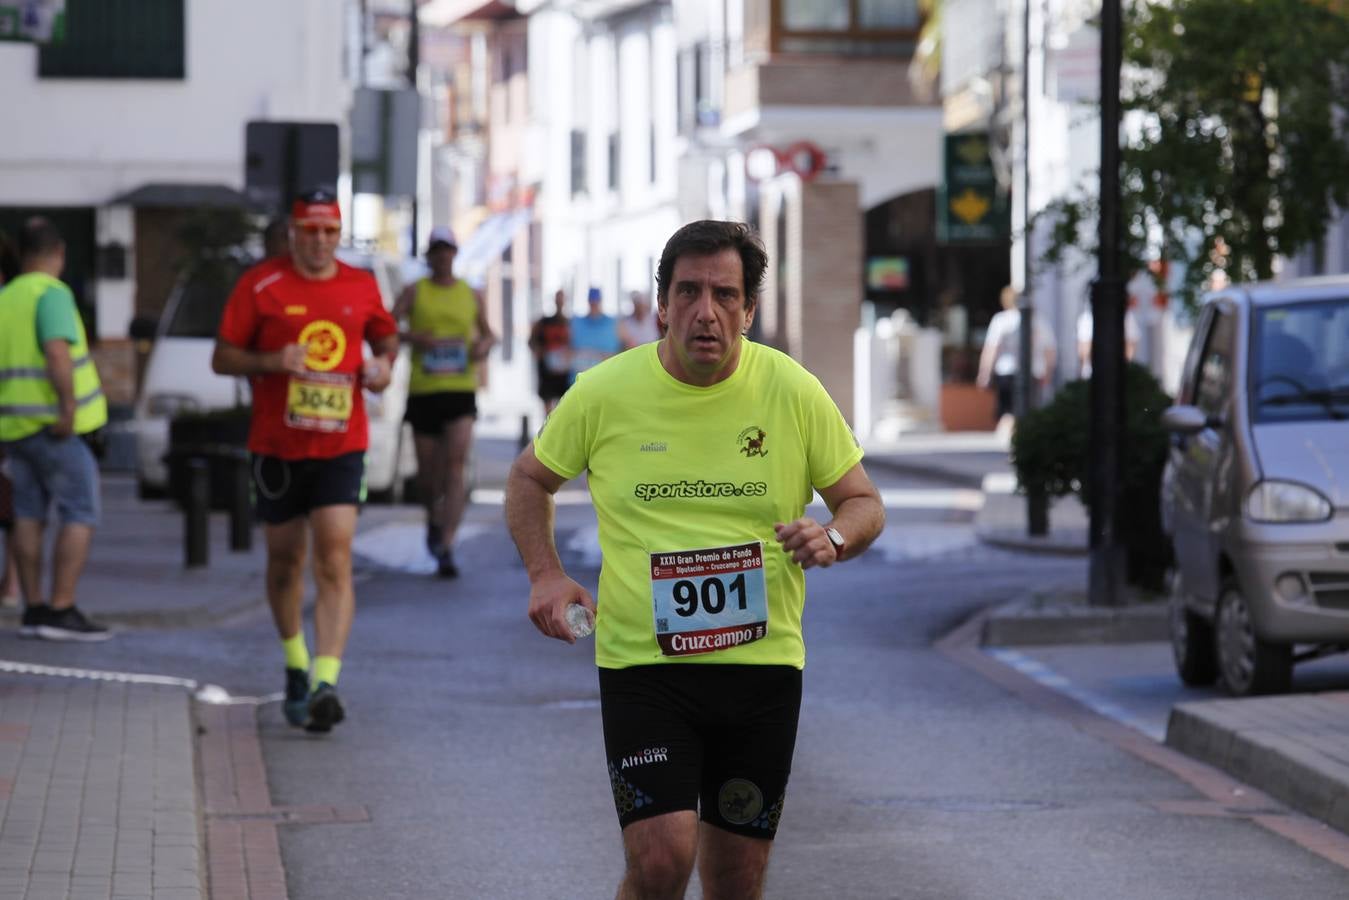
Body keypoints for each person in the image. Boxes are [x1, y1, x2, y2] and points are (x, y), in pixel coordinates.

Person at [504, 220, 885, 899]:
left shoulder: (792, 391)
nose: (704, 312)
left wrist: (831, 538)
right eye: (687, 292)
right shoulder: (604, 391)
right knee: (659, 860)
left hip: (761, 668)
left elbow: (861, 501)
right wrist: (544, 572)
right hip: (643, 667)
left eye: (723, 295)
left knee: (737, 878)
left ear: (749, 309)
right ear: (661, 303)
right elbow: (529, 478)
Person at [211, 189, 399, 734]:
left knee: (334, 558)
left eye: (329, 232)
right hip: (277, 447)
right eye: (309, 231)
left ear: (339, 235)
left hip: (342, 445)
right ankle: (295, 661)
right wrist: (272, 360)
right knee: (285, 562)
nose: (319, 241)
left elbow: (385, 339)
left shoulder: (360, 284)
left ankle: (326, 680)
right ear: (293, 234)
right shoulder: (261, 285)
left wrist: (382, 367)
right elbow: (222, 356)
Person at [0, 217, 111, 640]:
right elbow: (57, 353)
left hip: (14, 428)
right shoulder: (52, 295)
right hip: (55, 428)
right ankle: (62, 608)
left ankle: (34, 607)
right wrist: (67, 409)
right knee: (80, 510)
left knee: (28, 514)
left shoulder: (6, 297)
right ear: (59, 253)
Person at [393, 225, 497, 578]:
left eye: (447, 250)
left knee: (455, 466)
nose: (442, 256)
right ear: (429, 255)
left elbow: (489, 334)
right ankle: (433, 520)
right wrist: (411, 336)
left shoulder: (470, 294)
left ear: (454, 254)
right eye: (436, 250)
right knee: (427, 476)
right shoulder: (413, 291)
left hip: (459, 387)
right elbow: (386, 327)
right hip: (423, 390)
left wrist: (482, 348)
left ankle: (448, 543)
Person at [976, 285, 1057, 430]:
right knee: (1029, 412)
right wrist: (1048, 372)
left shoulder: (1001, 320)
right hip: (1033, 372)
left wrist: (985, 372)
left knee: (1008, 413)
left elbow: (991, 349)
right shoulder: (1038, 320)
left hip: (1007, 371)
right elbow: (1049, 350)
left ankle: (1010, 442)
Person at [528, 289, 571, 416]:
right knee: (548, 406)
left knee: (563, 405)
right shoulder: (543, 322)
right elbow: (532, 341)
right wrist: (538, 351)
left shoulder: (569, 322)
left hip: (563, 373)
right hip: (547, 371)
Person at [568, 286, 621, 382]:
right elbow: (565, 351)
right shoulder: (576, 322)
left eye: (596, 302)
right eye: (592, 302)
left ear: (600, 302)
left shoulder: (613, 323)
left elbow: (629, 348)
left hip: (606, 380)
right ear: (588, 302)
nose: (594, 305)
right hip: (579, 382)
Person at [1077, 303, 1141, 378]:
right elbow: (1083, 349)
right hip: (1092, 372)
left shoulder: (1127, 317)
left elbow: (1131, 346)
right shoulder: (1088, 317)